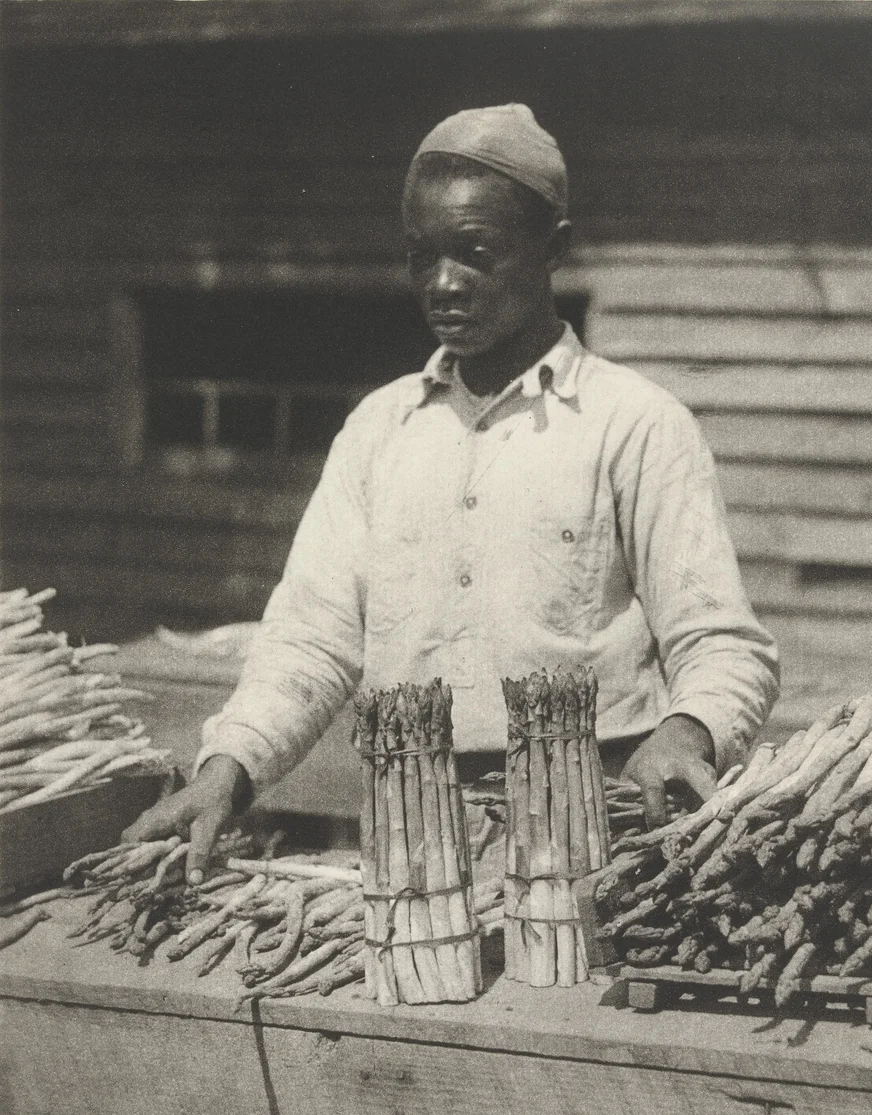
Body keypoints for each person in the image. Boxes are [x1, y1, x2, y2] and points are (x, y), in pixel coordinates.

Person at [124, 104, 780, 881]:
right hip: (412, 833)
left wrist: (687, 730)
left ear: (553, 251)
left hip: (598, 834)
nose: (442, 284)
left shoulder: (634, 424)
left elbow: (719, 643)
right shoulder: (380, 428)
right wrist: (226, 770)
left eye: (474, 254)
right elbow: (311, 636)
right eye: (420, 256)